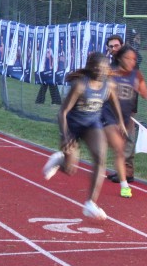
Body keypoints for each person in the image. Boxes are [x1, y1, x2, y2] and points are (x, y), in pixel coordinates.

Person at [43, 51, 126, 221]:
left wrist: (120, 122)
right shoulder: (80, 85)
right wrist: (65, 135)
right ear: (90, 68)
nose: (100, 72)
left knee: (100, 157)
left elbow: (114, 102)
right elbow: (62, 112)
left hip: (92, 124)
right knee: (70, 170)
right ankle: (60, 160)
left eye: (103, 69)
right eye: (96, 68)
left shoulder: (109, 85)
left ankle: (90, 203)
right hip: (72, 126)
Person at [103, 46, 147, 194]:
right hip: (109, 116)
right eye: (127, 58)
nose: (131, 62)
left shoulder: (136, 75)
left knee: (119, 150)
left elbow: (145, 94)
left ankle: (123, 179)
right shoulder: (111, 73)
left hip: (126, 117)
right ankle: (124, 185)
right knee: (118, 149)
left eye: (134, 59)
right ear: (120, 59)